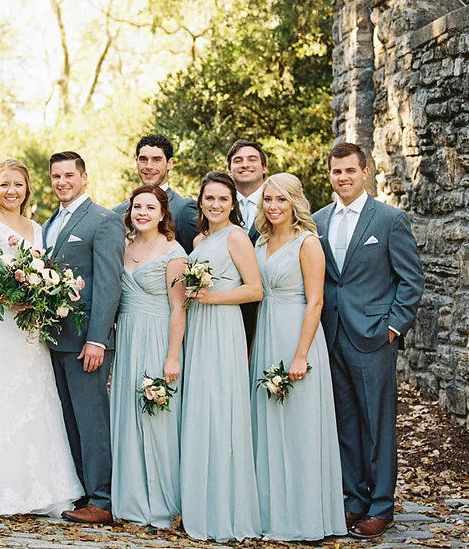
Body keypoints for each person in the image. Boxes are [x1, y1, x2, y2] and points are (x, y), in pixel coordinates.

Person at [313, 143, 424, 539]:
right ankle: (352, 500)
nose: (342, 177)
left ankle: (381, 506)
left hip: (374, 337)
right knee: (343, 422)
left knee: (377, 424)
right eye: (336, 171)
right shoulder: (318, 221)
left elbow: (411, 281)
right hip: (331, 335)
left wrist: (393, 328)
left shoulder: (390, 219)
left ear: (365, 173)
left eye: (349, 171)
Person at [0, 159, 83, 517]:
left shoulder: (36, 227)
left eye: (17, 184)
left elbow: (44, 270)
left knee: (36, 394)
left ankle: (43, 489)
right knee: (1, 392)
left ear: (27, 189)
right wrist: (16, 298)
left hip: (32, 326)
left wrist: (42, 295)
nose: (11, 191)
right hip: (1, 324)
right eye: (4, 185)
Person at [250, 173, 346, 540]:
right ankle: (269, 513)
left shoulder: (308, 243)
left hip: (297, 335)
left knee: (299, 427)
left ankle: (304, 518)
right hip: (266, 333)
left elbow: (316, 301)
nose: (273, 207)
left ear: (295, 203)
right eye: (268, 200)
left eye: (281, 200)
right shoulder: (261, 240)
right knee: (268, 423)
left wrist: (301, 355)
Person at [178, 171, 262, 541]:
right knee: (199, 408)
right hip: (198, 328)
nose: (215, 205)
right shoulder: (200, 238)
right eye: (209, 198)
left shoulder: (236, 237)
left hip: (223, 327)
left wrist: (212, 297)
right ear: (201, 202)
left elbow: (255, 290)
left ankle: (226, 507)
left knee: (220, 408)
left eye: (222, 199)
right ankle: (199, 498)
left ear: (233, 204)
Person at [43, 151, 124, 525]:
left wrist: (97, 339)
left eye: (68, 176)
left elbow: (108, 285)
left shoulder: (103, 221)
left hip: (85, 343)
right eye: (56, 176)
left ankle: (102, 499)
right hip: (54, 339)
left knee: (92, 422)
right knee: (69, 420)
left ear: (84, 177)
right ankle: (80, 491)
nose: (62, 182)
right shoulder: (48, 223)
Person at [110, 185, 188, 528]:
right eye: (137, 206)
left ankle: (160, 502)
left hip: (158, 337)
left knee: (157, 417)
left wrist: (172, 357)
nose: (142, 212)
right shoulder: (123, 247)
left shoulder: (174, 252)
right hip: (127, 336)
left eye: (149, 207)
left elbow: (178, 308)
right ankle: (129, 500)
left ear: (162, 213)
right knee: (127, 414)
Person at [113, 134, 198, 249]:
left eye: (156, 160)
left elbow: (194, 262)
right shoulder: (119, 212)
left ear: (170, 163)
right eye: (143, 159)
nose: (148, 166)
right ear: (136, 162)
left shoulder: (183, 209)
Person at [227, 139, 269, 351]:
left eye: (252, 160)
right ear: (229, 169)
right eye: (238, 160)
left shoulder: (279, 203)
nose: (245, 165)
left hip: (268, 301)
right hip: (228, 303)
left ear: (264, 167)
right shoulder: (218, 205)